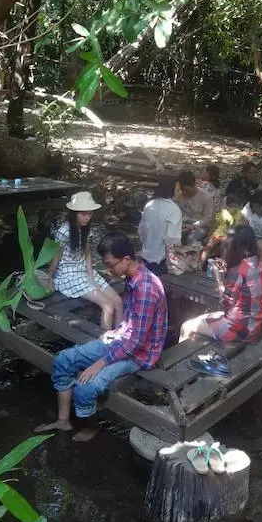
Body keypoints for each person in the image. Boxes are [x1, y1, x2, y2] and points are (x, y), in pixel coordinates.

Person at [35, 232, 168, 442]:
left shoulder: (146, 289)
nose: (108, 270)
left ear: (126, 259)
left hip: (140, 354)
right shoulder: (134, 276)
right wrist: (114, 334)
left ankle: (91, 427)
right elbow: (131, 326)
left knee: (85, 388)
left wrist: (100, 363)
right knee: (63, 360)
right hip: (123, 340)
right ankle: (63, 420)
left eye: (110, 265)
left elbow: (136, 342)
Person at [180, 225, 262, 343]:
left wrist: (218, 277)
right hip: (255, 326)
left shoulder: (237, 271)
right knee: (204, 317)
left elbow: (225, 303)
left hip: (237, 330)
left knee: (186, 327)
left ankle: (184, 355)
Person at [48, 191, 123, 331]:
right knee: (108, 306)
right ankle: (104, 342)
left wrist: (91, 277)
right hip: (69, 275)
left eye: (89, 214)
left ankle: (120, 339)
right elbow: (56, 256)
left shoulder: (85, 229)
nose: (87, 218)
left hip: (84, 271)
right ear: (74, 213)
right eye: (83, 214)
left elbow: (87, 254)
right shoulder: (64, 231)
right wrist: (49, 277)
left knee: (118, 302)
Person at [138, 176, 183, 275]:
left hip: (145, 256)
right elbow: (172, 240)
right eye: (178, 190)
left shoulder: (149, 205)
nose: (181, 192)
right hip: (162, 261)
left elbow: (142, 231)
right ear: (170, 191)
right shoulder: (174, 210)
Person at [199, 190, 246, 264]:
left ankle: (221, 265)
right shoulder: (222, 213)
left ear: (237, 206)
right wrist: (209, 236)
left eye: (235, 206)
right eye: (230, 206)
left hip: (229, 236)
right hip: (218, 233)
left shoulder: (240, 215)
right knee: (208, 247)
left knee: (224, 249)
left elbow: (244, 227)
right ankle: (201, 263)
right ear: (227, 206)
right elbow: (214, 225)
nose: (232, 208)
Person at [175, 170, 216, 245]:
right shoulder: (180, 195)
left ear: (194, 185)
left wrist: (194, 225)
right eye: (182, 190)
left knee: (191, 239)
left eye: (186, 190)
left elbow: (208, 218)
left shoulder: (206, 197)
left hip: (200, 225)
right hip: (184, 222)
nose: (184, 192)